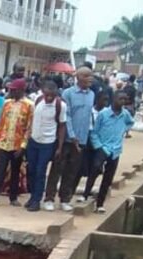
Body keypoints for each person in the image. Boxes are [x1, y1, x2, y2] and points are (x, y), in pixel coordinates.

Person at [46, 66, 95, 212]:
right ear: (78, 77)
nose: (90, 79)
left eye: (91, 76)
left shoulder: (91, 94)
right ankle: (49, 198)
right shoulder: (68, 93)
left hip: (82, 139)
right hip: (67, 139)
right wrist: (72, 136)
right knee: (57, 168)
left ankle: (65, 199)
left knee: (72, 171)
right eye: (86, 76)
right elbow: (67, 116)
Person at [83, 93, 134, 213]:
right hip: (102, 146)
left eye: (124, 100)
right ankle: (85, 193)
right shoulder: (103, 114)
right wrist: (98, 146)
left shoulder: (125, 114)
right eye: (120, 99)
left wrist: (123, 130)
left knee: (108, 177)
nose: (122, 101)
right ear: (113, 99)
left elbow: (130, 122)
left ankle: (100, 203)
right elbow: (94, 132)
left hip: (115, 149)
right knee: (95, 169)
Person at [0, 78, 33, 208]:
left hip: (18, 144)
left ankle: (13, 197)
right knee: (0, 171)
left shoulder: (29, 105)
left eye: (13, 90)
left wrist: (23, 146)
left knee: (15, 172)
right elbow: (1, 123)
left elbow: (29, 128)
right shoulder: (6, 103)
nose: (11, 92)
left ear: (21, 90)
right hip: (4, 142)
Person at [24, 79, 66, 212]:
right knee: (30, 170)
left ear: (55, 93)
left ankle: (37, 200)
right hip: (33, 140)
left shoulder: (61, 105)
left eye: (51, 95)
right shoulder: (37, 100)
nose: (48, 98)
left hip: (48, 143)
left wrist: (59, 147)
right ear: (42, 92)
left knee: (40, 171)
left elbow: (62, 126)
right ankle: (32, 197)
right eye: (46, 94)